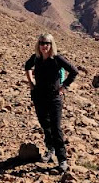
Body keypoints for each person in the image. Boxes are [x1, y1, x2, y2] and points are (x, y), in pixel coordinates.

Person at [24, 33, 78, 172]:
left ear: (51, 44)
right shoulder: (36, 58)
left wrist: (64, 86)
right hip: (39, 96)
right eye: (41, 43)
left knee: (56, 128)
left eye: (47, 43)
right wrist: (31, 83)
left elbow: (74, 71)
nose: (44, 46)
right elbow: (27, 66)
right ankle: (50, 149)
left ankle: (62, 160)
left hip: (54, 98)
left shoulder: (57, 58)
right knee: (45, 124)